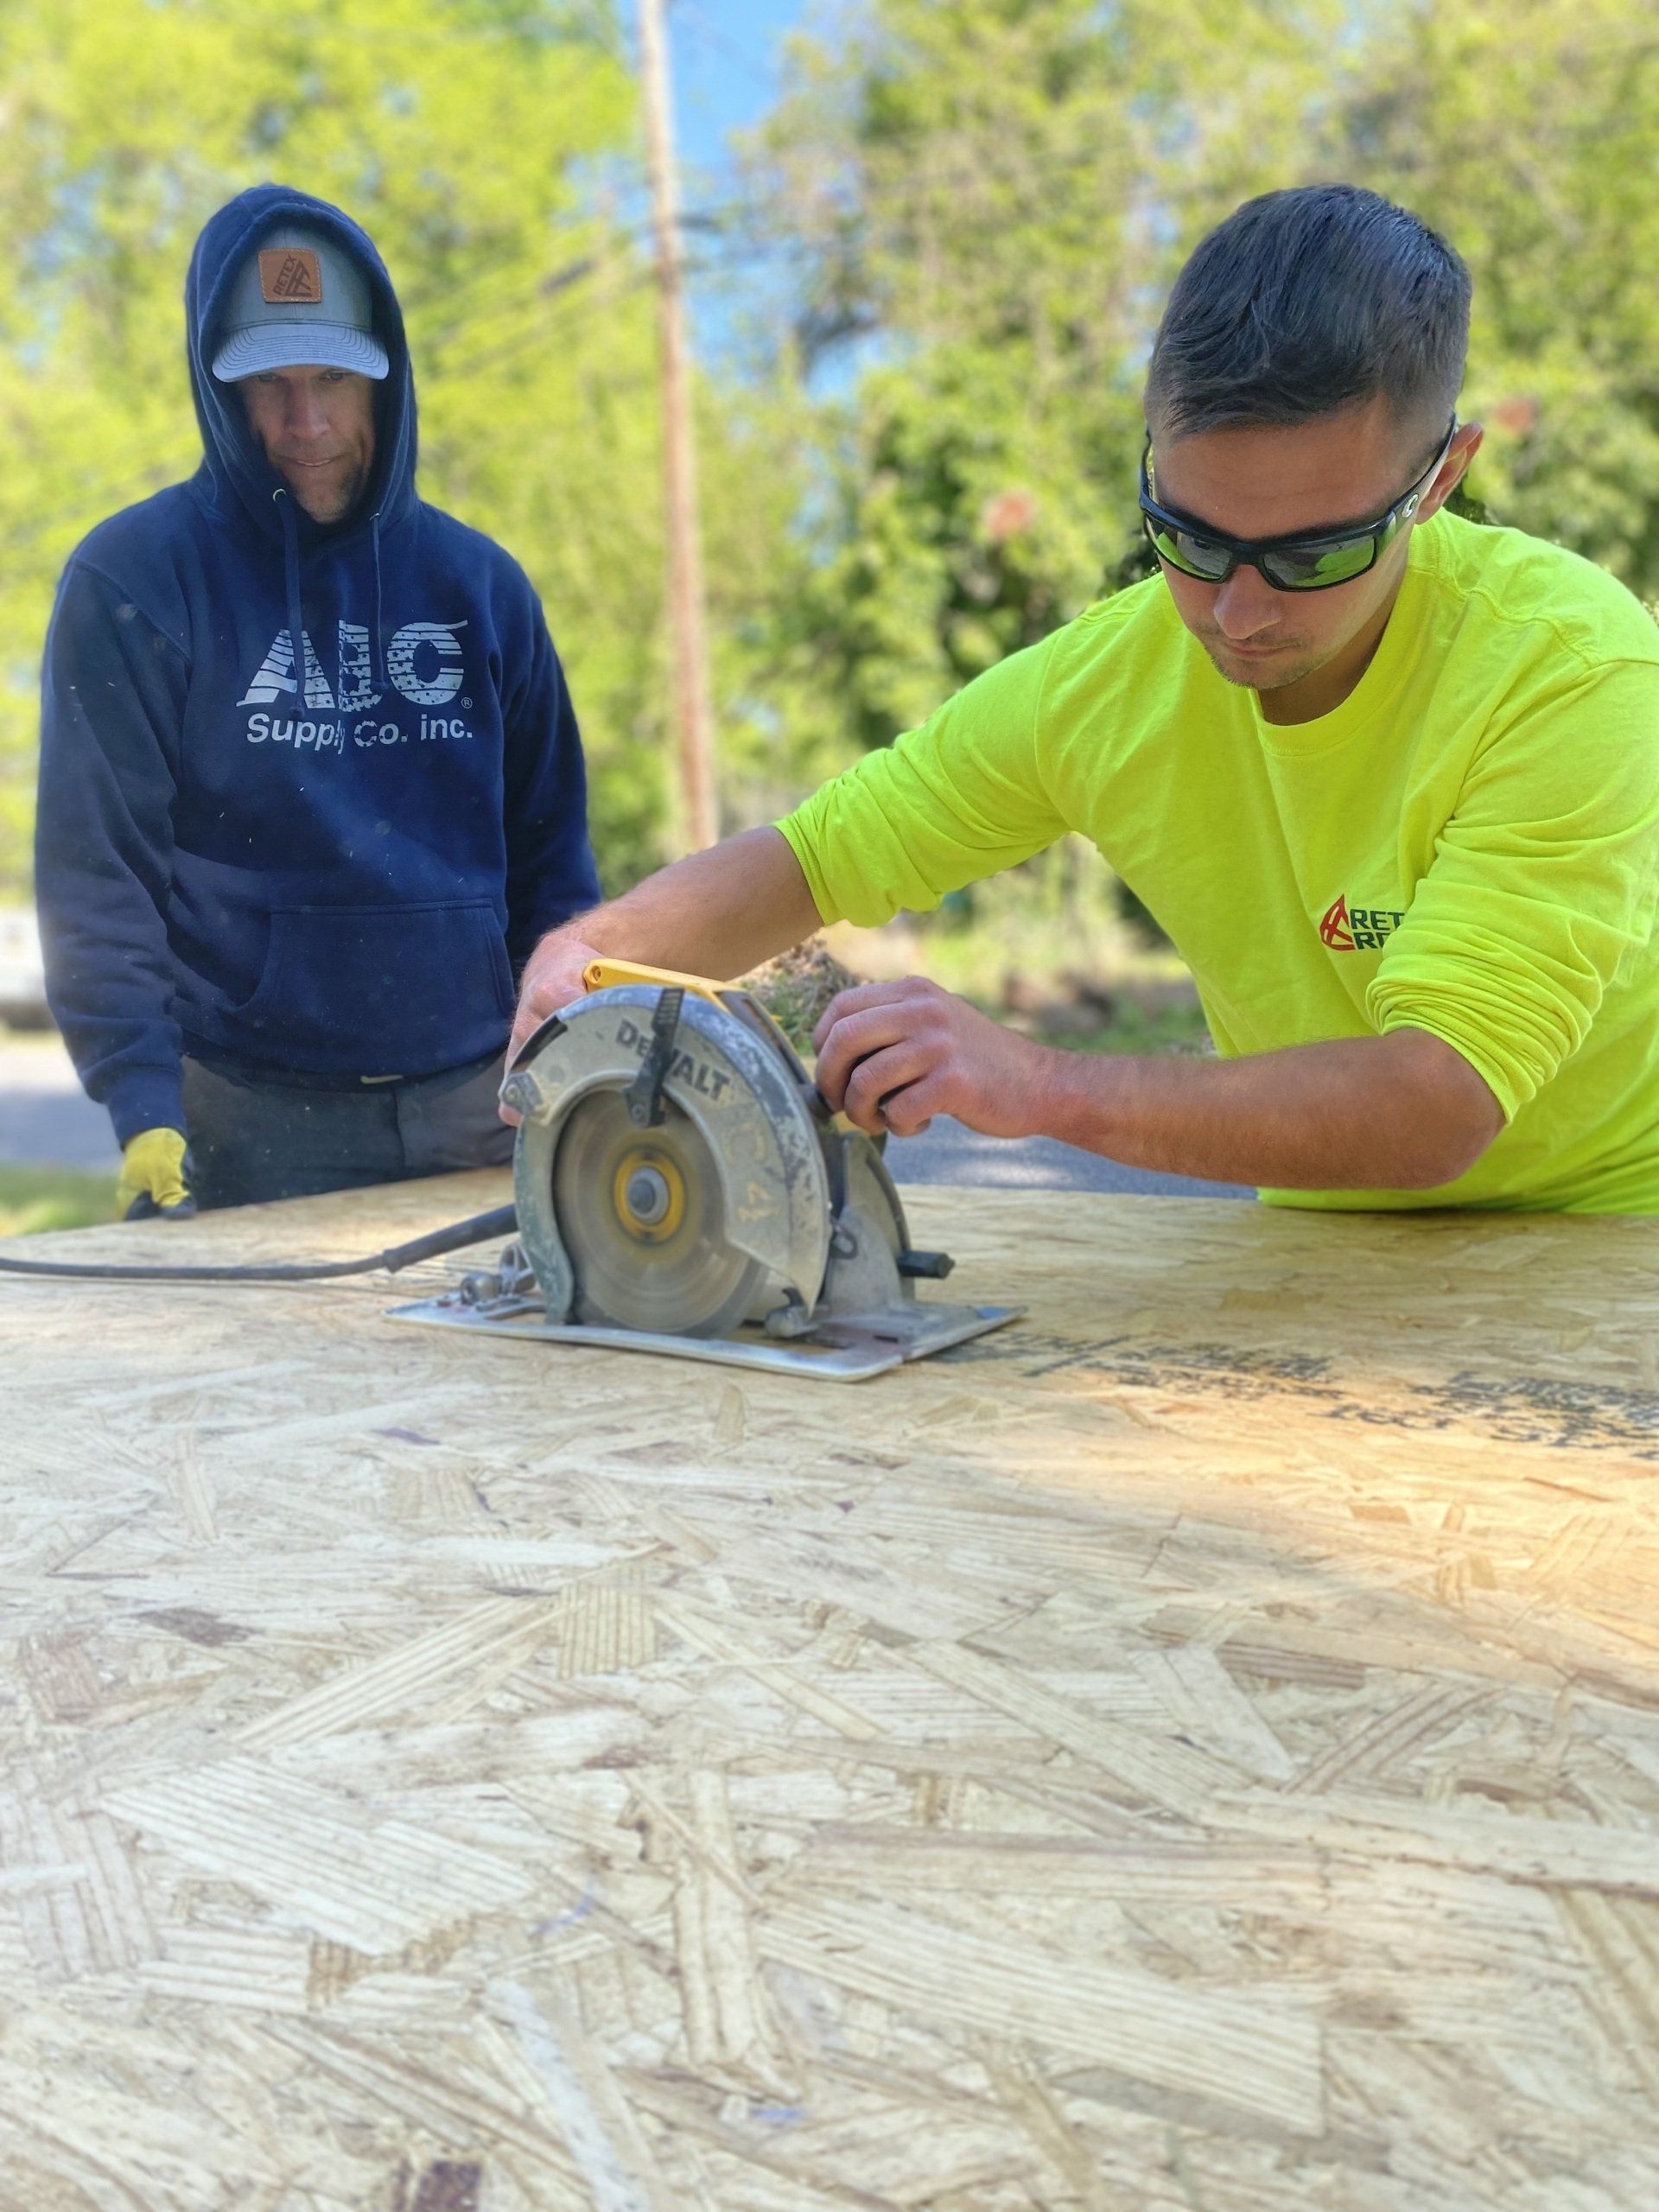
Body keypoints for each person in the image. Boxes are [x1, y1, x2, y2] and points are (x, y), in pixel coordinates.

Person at [506, 185, 1659, 1217]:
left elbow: (1437, 1101)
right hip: (1319, 1240)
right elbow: (820, 856)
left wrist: (1048, 1084)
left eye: (1311, 556)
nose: (1236, 611)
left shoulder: (1570, 667)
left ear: (1439, 480)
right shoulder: (1108, 681)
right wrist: (594, 954)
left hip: (1611, 1233)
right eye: (1188, 537)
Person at [37, 184, 600, 1215]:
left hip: (488, 1107)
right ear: (218, 390)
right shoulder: (135, 583)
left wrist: (565, 1060)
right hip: (247, 1123)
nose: (308, 423)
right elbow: (99, 875)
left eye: (336, 378)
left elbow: (554, 859)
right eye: (270, 385)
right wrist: (141, 1098)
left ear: (386, 376)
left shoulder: (482, 589)